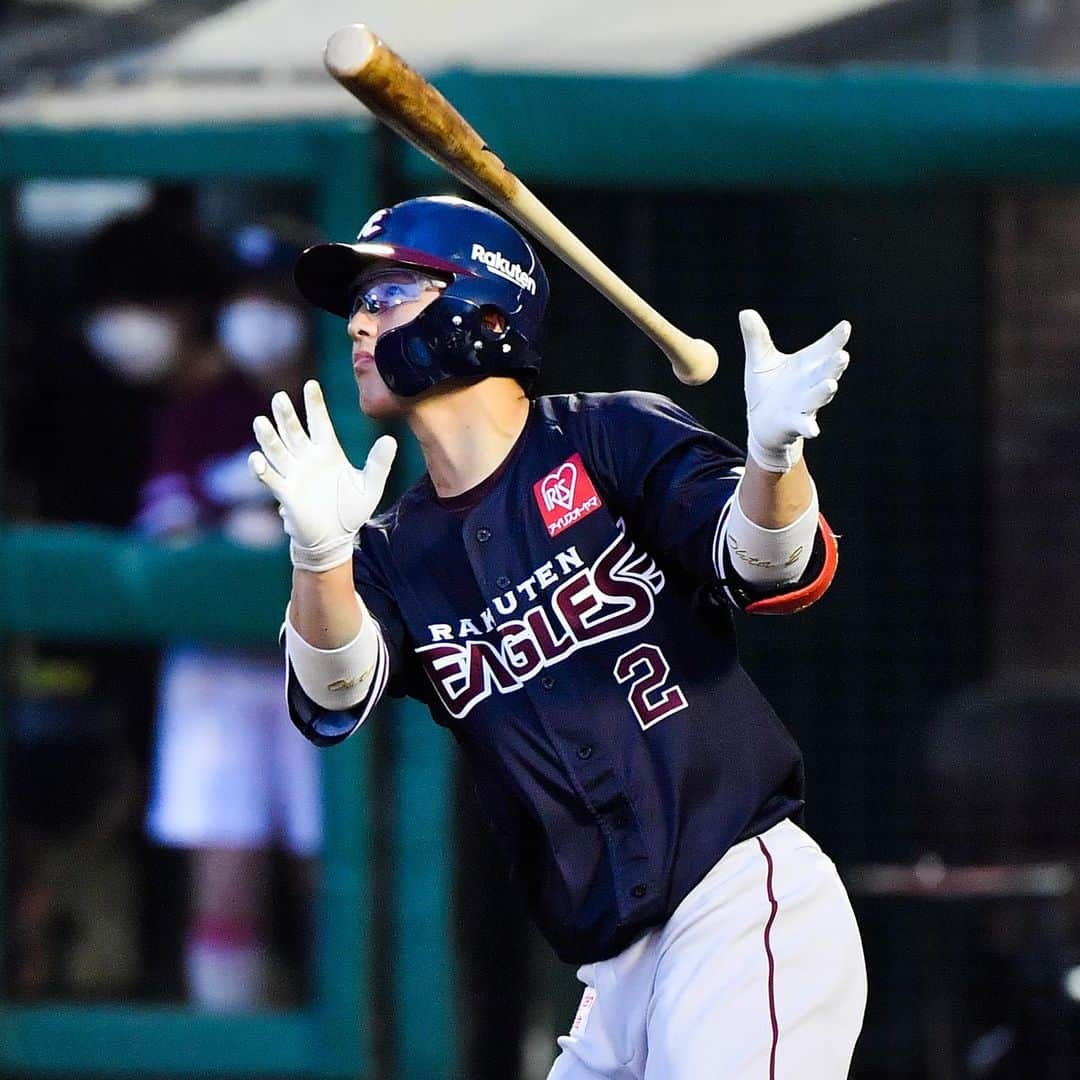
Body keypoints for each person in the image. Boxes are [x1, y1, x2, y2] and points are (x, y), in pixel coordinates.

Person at [249, 195, 866, 1076]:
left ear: (481, 312)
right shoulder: (386, 553)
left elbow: (767, 562)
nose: (356, 322)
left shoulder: (608, 437)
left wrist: (773, 459)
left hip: (737, 908)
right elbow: (333, 692)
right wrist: (318, 556)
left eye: (385, 294)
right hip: (613, 978)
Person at [142, 221, 322, 1010]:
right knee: (224, 875)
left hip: (328, 671)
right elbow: (163, 540)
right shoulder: (200, 410)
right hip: (218, 666)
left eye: (277, 299)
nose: (261, 316)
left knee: (336, 874)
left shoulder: (354, 404)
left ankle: (355, 1044)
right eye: (247, 299)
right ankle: (229, 1048)